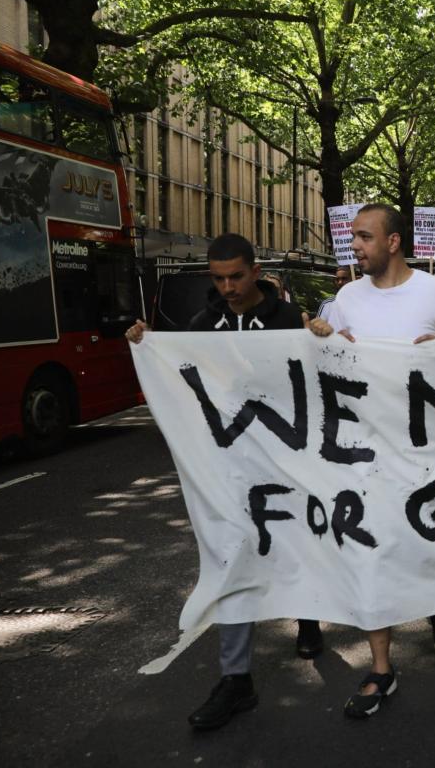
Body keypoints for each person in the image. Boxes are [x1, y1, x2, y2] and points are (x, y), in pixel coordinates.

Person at [125, 233, 322, 731]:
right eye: (218, 278)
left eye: (236, 276)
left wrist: (321, 340)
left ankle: (309, 614)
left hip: (287, 461)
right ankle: (236, 679)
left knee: (296, 541)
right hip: (231, 467)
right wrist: (148, 347)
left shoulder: (286, 320)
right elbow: (182, 381)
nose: (228, 287)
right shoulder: (201, 325)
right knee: (231, 556)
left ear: (256, 271)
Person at [305, 204, 435, 719]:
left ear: (394, 241)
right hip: (362, 454)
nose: (354, 246)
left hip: (425, 452)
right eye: (353, 237)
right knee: (371, 552)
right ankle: (381, 668)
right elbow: (318, 360)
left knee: (423, 541)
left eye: (363, 237)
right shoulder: (345, 299)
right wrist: (320, 336)